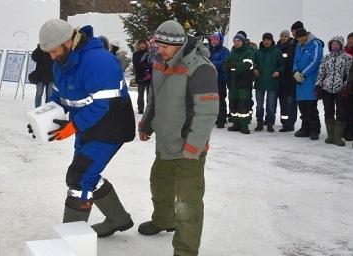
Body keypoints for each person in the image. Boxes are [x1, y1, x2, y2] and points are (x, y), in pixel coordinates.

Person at [35, 19, 136, 237]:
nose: (51, 56)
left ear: (68, 41)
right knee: (87, 173)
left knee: (80, 178)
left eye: (53, 51)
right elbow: (62, 95)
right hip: (87, 125)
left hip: (111, 125)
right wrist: (43, 117)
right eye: (48, 52)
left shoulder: (99, 62)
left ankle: (71, 239)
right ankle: (118, 218)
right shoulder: (61, 62)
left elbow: (104, 105)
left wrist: (72, 126)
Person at [138, 20, 218, 256]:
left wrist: (194, 146)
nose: (158, 50)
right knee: (159, 184)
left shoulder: (200, 67)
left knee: (188, 203)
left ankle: (185, 250)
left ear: (177, 44)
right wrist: (147, 124)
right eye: (157, 45)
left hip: (188, 148)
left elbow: (207, 111)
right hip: (165, 142)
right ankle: (164, 221)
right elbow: (155, 97)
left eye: (163, 46)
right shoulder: (159, 63)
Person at [315, 36, 352, 147]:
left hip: (340, 89)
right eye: (333, 44)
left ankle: (338, 137)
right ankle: (330, 136)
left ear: (341, 45)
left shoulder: (347, 58)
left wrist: (346, 88)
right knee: (328, 110)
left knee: (341, 112)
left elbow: (350, 75)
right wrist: (318, 86)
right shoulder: (326, 58)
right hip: (327, 88)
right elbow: (321, 73)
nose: (334, 46)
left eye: (337, 44)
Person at [292, 28, 324, 140]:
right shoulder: (298, 45)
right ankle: (305, 128)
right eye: (298, 38)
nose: (300, 39)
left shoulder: (315, 44)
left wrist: (303, 74)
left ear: (306, 35)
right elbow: (295, 60)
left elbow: (315, 61)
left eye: (301, 37)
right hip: (299, 80)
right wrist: (295, 71)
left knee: (311, 107)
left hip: (310, 80)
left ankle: (315, 129)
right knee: (302, 106)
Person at [224, 33, 255, 134]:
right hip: (232, 83)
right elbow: (225, 66)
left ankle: (244, 125)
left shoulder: (248, 52)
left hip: (244, 83)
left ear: (243, 42)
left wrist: (233, 66)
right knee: (233, 104)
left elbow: (246, 66)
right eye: (235, 41)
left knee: (243, 104)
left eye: (238, 41)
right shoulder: (232, 53)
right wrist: (232, 67)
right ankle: (235, 123)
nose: (236, 43)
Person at [253, 32, 284, 132]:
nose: (266, 41)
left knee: (271, 105)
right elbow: (252, 64)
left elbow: (282, 65)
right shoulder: (257, 52)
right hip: (260, 81)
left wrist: (278, 71)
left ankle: (270, 123)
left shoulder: (277, 52)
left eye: (268, 40)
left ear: (272, 41)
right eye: (264, 39)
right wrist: (254, 69)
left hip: (272, 82)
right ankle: (259, 123)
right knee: (259, 105)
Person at [207, 32, 230, 128]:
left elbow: (225, 63)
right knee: (209, 100)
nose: (214, 41)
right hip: (208, 79)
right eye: (212, 39)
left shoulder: (225, 50)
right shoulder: (207, 49)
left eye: (216, 39)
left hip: (220, 79)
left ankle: (221, 119)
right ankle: (210, 119)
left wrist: (211, 64)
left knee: (220, 100)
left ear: (220, 40)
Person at [132, 39, 151, 114]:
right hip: (140, 77)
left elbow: (152, 64)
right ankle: (140, 109)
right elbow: (136, 65)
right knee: (140, 94)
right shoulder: (136, 54)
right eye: (141, 44)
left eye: (144, 44)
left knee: (149, 94)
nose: (142, 45)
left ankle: (149, 109)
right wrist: (145, 65)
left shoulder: (150, 54)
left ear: (146, 45)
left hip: (149, 77)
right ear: (138, 45)